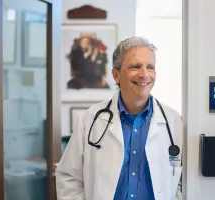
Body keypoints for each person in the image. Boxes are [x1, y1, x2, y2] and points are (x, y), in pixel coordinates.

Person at [55, 36, 184, 200]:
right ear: (116, 75)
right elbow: (69, 177)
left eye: (150, 67)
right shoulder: (90, 120)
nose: (144, 74)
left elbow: (183, 182)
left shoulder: (173, 122)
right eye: (135, 66)